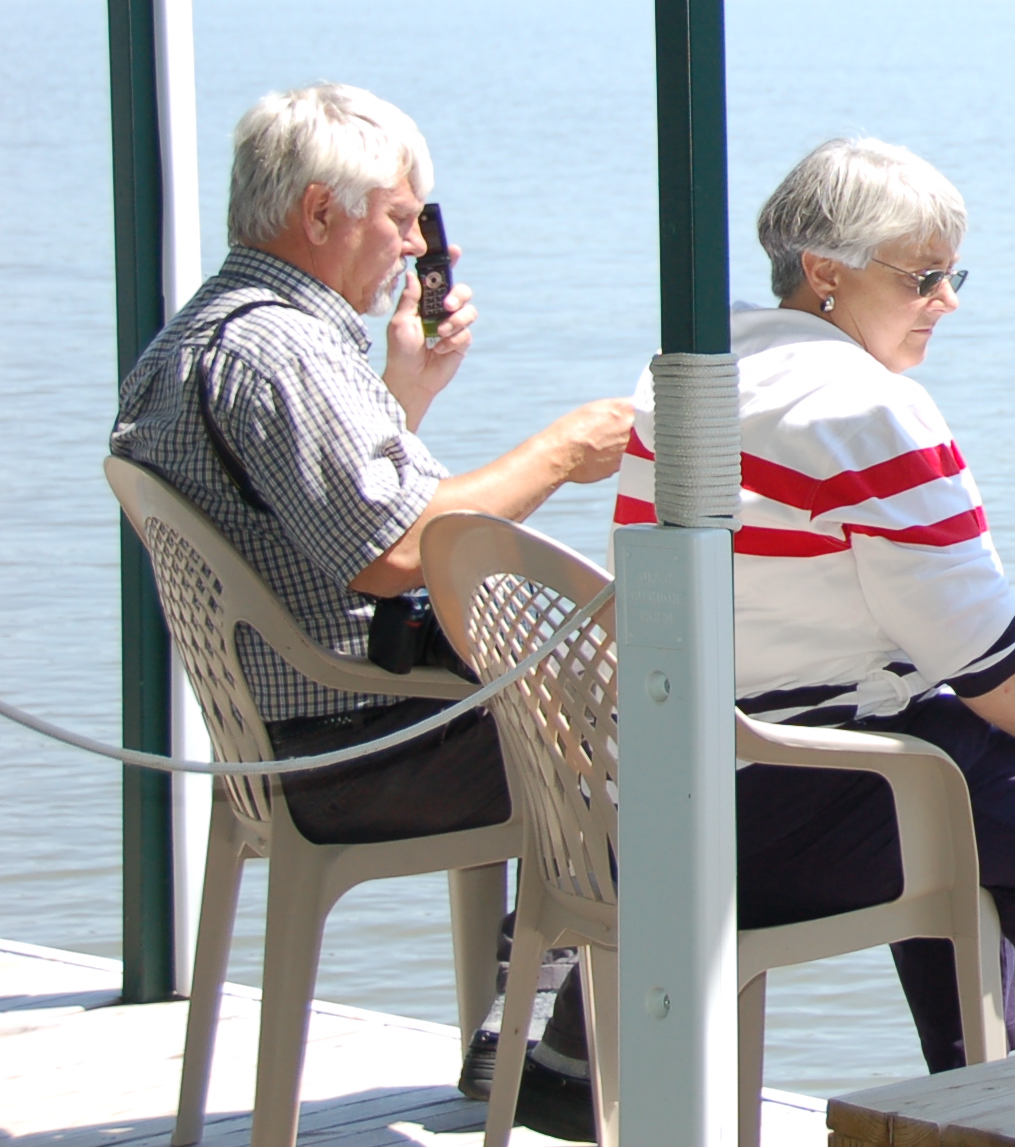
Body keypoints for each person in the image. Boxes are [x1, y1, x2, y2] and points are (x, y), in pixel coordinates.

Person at [110, 81, 631, 1104]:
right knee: (661, 751)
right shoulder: (282, 351)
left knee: (592, 715)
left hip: (280, 739)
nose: (416, 245)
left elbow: (307, 523)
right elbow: (393, 551)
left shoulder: (194, 337)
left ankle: (526, 1020)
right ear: (320, 212)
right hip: (359, 751)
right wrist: (565, 450)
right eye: (400, 217)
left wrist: (408, 389)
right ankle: (554, 1050)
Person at [617, 137, 1015, 1067]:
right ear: (825, 273)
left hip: (660, 791)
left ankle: (973, 1092)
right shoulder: (863, 408)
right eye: (923, 278)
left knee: (966, 770)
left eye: (953, 274)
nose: (947, 301)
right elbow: (984, 656)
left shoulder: (693, 370)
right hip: (769, 809)